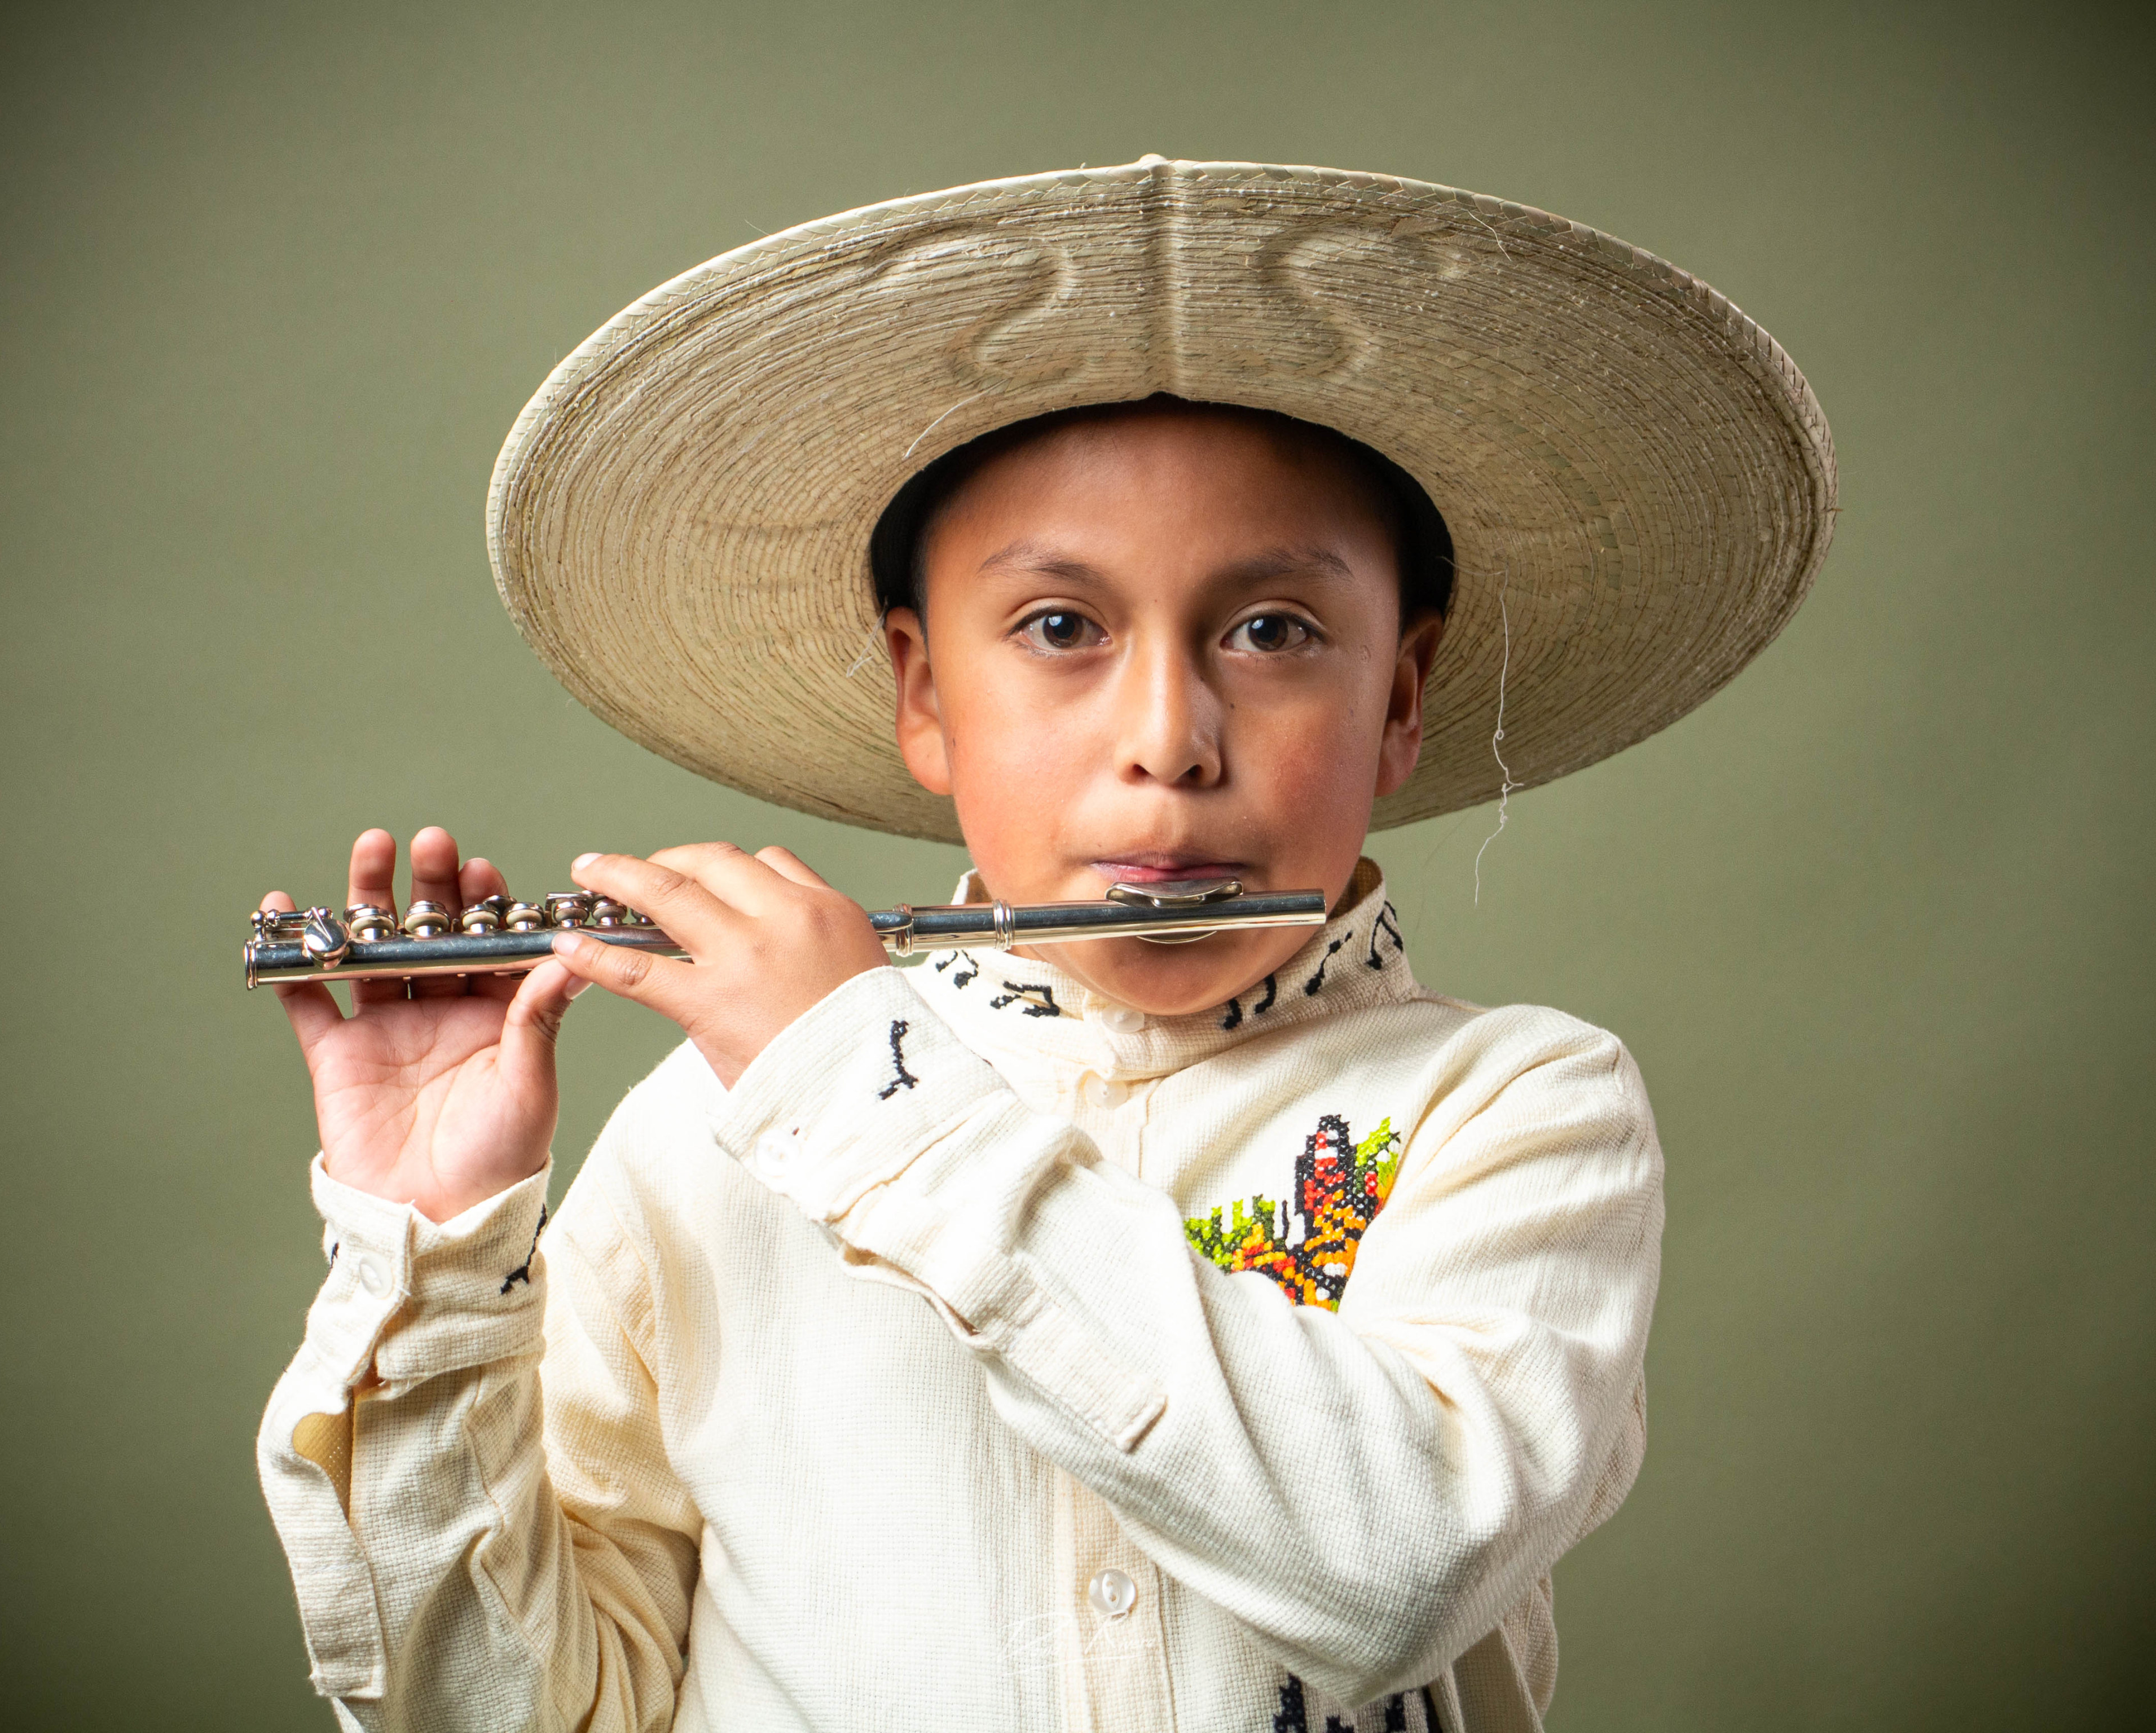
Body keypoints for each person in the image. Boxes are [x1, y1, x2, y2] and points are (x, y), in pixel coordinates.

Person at [256, 159, 1834, 1732]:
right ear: (924, 693)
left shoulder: (1523, 1106)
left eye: (1273, 631)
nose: (1169, 741)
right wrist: (432, 1255)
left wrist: (865, 1092)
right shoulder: (705, 1137)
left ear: (1402, 698)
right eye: (1061, 629)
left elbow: (1398, 1570)